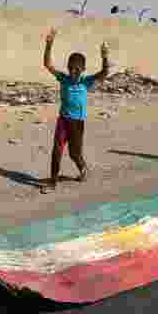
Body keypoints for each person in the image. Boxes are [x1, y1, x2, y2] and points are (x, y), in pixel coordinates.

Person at [40, 28, 111, 193]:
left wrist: (105, 56)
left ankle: (83, 169)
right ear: (68, 67)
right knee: (57, 150)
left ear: (83, 70)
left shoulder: (86, 82)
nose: (73, 72)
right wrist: (49, 44)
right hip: (63, 120)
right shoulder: (63, 79)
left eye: (77, 70)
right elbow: (47, 64)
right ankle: (52, 182)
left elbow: (104, 72)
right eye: (71, 68)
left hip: (77, 123)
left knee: (74, 154)